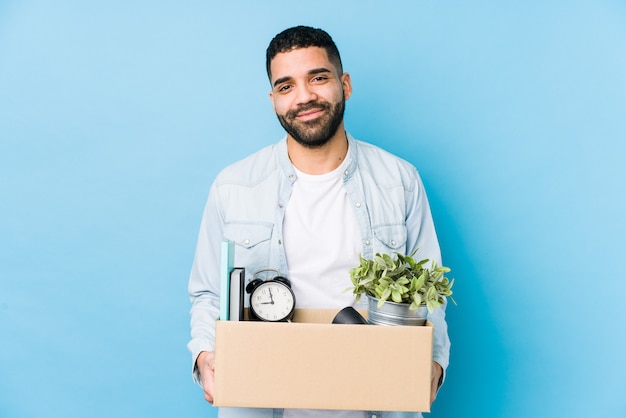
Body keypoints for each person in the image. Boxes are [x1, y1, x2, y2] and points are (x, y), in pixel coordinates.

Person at [188, 25, 450, 418]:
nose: (304, 96)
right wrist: (205, 355)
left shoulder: (399, 181)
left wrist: (433, 363)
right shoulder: (234, 186)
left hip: (378, 400)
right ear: (274, 99)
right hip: (261, 402)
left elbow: (431, 294)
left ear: (344, 84)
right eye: (286, 86)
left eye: (318, 78)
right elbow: (209, 293)